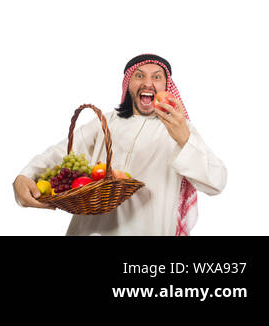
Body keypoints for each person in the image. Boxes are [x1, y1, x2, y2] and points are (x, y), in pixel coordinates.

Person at [12, 54, 227, 235]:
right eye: (139, 75)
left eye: (157, 77)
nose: (148, 83)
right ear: (128, 84)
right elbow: (61, 153)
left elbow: (216, 181)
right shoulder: (106, 121)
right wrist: (26, 175)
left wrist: (184, 139)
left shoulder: (180, 127)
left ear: (166, 85)